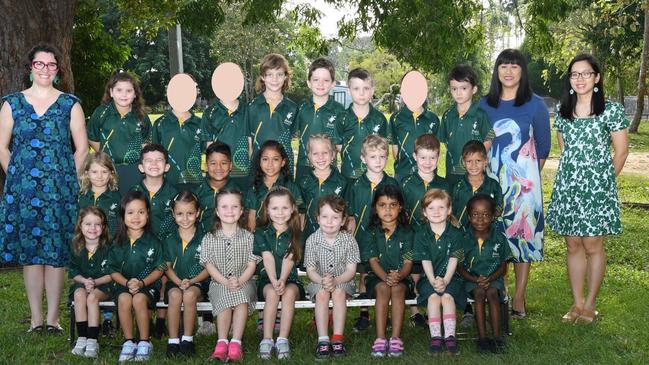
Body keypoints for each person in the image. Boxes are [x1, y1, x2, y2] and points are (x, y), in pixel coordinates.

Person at [0, 43, 89, 334]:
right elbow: (1, 147)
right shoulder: (11, 103)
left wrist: (68, 179)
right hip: (24, 192)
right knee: (31, 254)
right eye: (40, 64)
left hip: (59, 191)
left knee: (55, 253)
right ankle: (36, 319)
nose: (45, 69)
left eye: (51, 65)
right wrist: (17, 176)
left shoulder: (70, 104)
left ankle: (53, 319)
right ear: (30, 68)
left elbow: (82, 148)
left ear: (57, 70)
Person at [547, 54, 629, 324]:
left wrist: (602, 183)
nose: (579, 78)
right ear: (570, 80)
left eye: (585, 73)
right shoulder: (562, 110)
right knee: (572, 245)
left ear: (597, 78)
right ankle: (577, 303)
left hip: (597, 190)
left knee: (593, 244)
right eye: (574, 74)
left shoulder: (611, 110)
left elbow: (621, 151)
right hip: (569, 187)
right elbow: (565, 149)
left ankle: (590, 305)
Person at [480, 48, 551, 319]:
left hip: (524, 186)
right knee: (493, 237)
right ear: (496, 71)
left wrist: (525, 182)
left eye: (514, 66)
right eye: (503, 66)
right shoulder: (484, 105)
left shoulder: (535, 104)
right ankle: (500, 290)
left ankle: (519, 299)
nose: (508, 71)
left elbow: (543, 148)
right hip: (490, 183)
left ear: (522, 71)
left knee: (522, 240)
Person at [345, 135, 398, 331]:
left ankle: (389, 314)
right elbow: (349, 216)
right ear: (363, 158)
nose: (378, 161)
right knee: (365, 276)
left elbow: (398, 212)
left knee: (386, 275)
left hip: (385, 240)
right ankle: (364, 314)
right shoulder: (356, 185)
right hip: (361, 238)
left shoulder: (391, 183)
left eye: (382, 157)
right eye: (373, 156)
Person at [200, 189, 260, 362]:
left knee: (241, 298)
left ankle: (235, 343)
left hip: (245, 281)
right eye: (224, 207)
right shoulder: (209, 238)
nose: (229, 211)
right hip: (219, 282)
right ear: (217, 212)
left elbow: (251, 264)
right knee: (225, 298)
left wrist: (239, 281)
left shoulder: (249, 237)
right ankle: (221, 342)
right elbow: (209, 265)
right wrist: (225, 281)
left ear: (241, 211)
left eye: (234, 206)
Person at [108, 191, 165, 362]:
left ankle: (144, 342)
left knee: (139, 299)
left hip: (148, 286)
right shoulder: (118, 242)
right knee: (125, 299)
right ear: (123, 216)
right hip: (123, 285)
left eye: (141, 212)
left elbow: (160, 268)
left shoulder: (154, 241)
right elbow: (112, 269)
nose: (136, 217)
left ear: (148, 214)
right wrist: (127, 282)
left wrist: (142, 283)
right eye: (130, 212)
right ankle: (128, 342)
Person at [305, 195, 360, 359]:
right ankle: (323, 340)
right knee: (322, 294)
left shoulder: (349, 241)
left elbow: (351, 271)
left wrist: (336, 281)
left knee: (338, 293)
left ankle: (337, 338)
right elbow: (310, 270)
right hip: (318, 280)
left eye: (335, 217)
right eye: (325, 217)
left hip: (344, 280)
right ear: (318, 218)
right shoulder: (312, 240)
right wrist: (322, 281)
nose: (329, 222)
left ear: (343, 220)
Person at [363, 185, 414, 358]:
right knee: (384, 289)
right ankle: (380, 339)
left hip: (401, 277)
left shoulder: (407, 232)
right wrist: (386, 278)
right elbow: (373, 261)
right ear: (375, 208)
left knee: (398, 289)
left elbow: (408, 262)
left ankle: (395, 339)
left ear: (400, 207)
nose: (388, 209)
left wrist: (399, 276)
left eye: (393, 205)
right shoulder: (370, 232)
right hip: (377, 277)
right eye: (382, 205)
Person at [254, 187, 304, 360]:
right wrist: (274, 280)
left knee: (289, 292)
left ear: (292, 209)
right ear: (267, 210)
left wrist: (282, 279)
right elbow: (267, 258)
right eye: (275, 208)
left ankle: (282, 339)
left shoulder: (296, 233)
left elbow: (289, 258)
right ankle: (267, 339)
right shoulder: (261, 232)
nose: (280, 213)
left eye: (284, 208)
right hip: (267, 279)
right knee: (273, 293)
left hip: (290, 279)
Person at [458, 195, 511, 353]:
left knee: (493, 294)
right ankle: (482, 339)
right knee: (480, 294)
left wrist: (491, 279)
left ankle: (497, 338)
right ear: (469, 217)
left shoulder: (499, 238)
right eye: (475, 214)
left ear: (493, 216)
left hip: (494, 277)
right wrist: (476, 279)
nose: (480, 219)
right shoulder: (464, 238)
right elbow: (459, 267)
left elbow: (504, 266)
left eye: (486, 214)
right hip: (471, 279)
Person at [413, 189, 464, 355]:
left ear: (449, 210)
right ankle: (435, 337)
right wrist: (434, 281)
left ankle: (449, 336)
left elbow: (453, 260)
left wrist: (446, 281)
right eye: (431, 208)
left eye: (441, 207)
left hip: (452, 279)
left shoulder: (455, 233)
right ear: (424, 212)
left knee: (448, 297)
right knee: (433, 297)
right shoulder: (421, 234)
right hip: (429, 279)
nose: (436, 212)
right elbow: (425, 260)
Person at [87, 71, 151, 194]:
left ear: (135, 94)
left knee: (132, 204)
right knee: (111, 204)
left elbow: (146, 142)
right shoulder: (101, 113)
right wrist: (107, 156)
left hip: (135, 169)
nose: (124, 95)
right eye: (119, 90)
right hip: (108, 169)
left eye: (129, 91)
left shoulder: (141, 116)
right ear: (111, 92)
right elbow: (92, 137)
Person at [163, 191, 209, 358]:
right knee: (175, 296)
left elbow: (209, 268)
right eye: (180, 214)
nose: (185, 218)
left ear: (197, 213)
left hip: (197, 282)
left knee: (189, 296)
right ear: (173, 214)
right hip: (175, 282)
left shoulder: (205, 238)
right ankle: (173, 341)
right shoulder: (169, 238)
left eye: (190, 213)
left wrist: (191, 281)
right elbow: (166, 267)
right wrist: (178, 281)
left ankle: (187, 340)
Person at [439, 64, 494, 187]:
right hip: (452, 173)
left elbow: (489, 138)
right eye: (454, 89)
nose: (458, 93)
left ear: (474, 89)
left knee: (475, 203)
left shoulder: (480, 115)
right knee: (454, 202)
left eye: (463, 88)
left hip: (475, 173)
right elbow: (445, 142)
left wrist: (476, 160)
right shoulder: (447, 115)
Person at [69, 206, 113, 358]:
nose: (92, 228)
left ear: (103, 226)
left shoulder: (108, 247)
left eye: (97, 224)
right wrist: (84, 281)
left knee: (92, 298)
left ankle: (93, 339)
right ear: (80, 225)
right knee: (80, 294)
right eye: (88, 224)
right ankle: (82, 338)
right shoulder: (75, 245)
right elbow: (73, 271)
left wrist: (94, 282)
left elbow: (112, 274)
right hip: (83, 283)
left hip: (104, 286)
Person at [334, 68, 389, 179]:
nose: (361, 93)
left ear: (372, 90)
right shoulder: (342, 117)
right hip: (348, 175)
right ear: (349, 91)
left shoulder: (380, 119)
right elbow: (339, 145)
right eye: (356, 88)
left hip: (373, 176)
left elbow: (383, 147)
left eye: (366, 88)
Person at [294, 58, 345, 179]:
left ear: (333, 83)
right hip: (304, 169)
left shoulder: (340, 110)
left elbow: (342, 144)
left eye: (326, 80)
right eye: (316, 80)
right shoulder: (301, 108)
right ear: (309, 83)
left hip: (329, 170)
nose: (320, 84)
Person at [248, 53, 298, 175]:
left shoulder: (293, 108)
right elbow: (249, 142)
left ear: (286, 76)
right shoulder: (252, 107)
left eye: (279, 74)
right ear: (263, 77)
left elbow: (293, 138)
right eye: (270, 74)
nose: (275, 79)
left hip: (284, 169)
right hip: (259, 168)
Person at [298, 134, 348, 250]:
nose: (320, 157)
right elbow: (301, 210)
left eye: (325, 153)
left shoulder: (342, 181)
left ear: (333, 155)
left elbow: (346, 211)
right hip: (309, 234)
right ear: (309, 156)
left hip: (334, 235)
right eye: (315, 153)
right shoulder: (304, 181)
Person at [244, 140, 304, 232]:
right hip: (261, 241)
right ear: (259, 162)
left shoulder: (292, 187)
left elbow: (300, 213)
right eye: (265, 159)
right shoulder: (254, 188)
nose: (270, 164)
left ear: (283, 162)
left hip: (285, 238)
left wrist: (296, 237)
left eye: (275, 159)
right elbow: (252, 216)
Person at [390, 77, 440, 182]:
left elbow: (436, 149)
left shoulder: (433, 119)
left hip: (428, 175)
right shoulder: (395, 118)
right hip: (402, 174)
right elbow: (395, 150)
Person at [201, 84, 250, 190]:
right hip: (219, 172)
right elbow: (209, 146)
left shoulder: (248, 110)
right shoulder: (209, 113)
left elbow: (251, 143)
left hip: (242, 171)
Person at [152, 97, 204, 190]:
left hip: (193, 180)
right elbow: (154, 154)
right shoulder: (160, 123)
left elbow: (210, 153)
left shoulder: (201, 124)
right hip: (167, 181)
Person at [131, 144, 178, 241]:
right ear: (141, 167)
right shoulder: (134, 192)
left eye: (159, 160)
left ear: (167, 167)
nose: (154, 164)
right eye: (148, 160)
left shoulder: (174, 193)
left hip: (167, 246)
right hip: (141, 245)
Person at [450, 140, 502, 230]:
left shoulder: (493, 186)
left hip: (484, 235)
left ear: (485, 161)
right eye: (469, 161)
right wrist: (452, 219)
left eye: (478, 160)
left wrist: (489, 212)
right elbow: (449, 210)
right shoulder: (457, 186)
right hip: (460, 236)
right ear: (463, 162)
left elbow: (498, 208)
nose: (473, 165)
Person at [194, 141, 240, 234]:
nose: (218, 167)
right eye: (213, 163)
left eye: (223, 163)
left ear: (230, 166)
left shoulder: (238, 192)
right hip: (201, 242)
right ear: (206, 166)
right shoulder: (197, 192)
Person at [78, 152, 121, 238]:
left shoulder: (117, 198)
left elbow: (120, 227)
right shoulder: (80, 197)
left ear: (111, 174)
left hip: (109, 247)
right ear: (87, 173)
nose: (99, 176)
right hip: (84, 246)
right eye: (94, 172)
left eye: (104, 172)